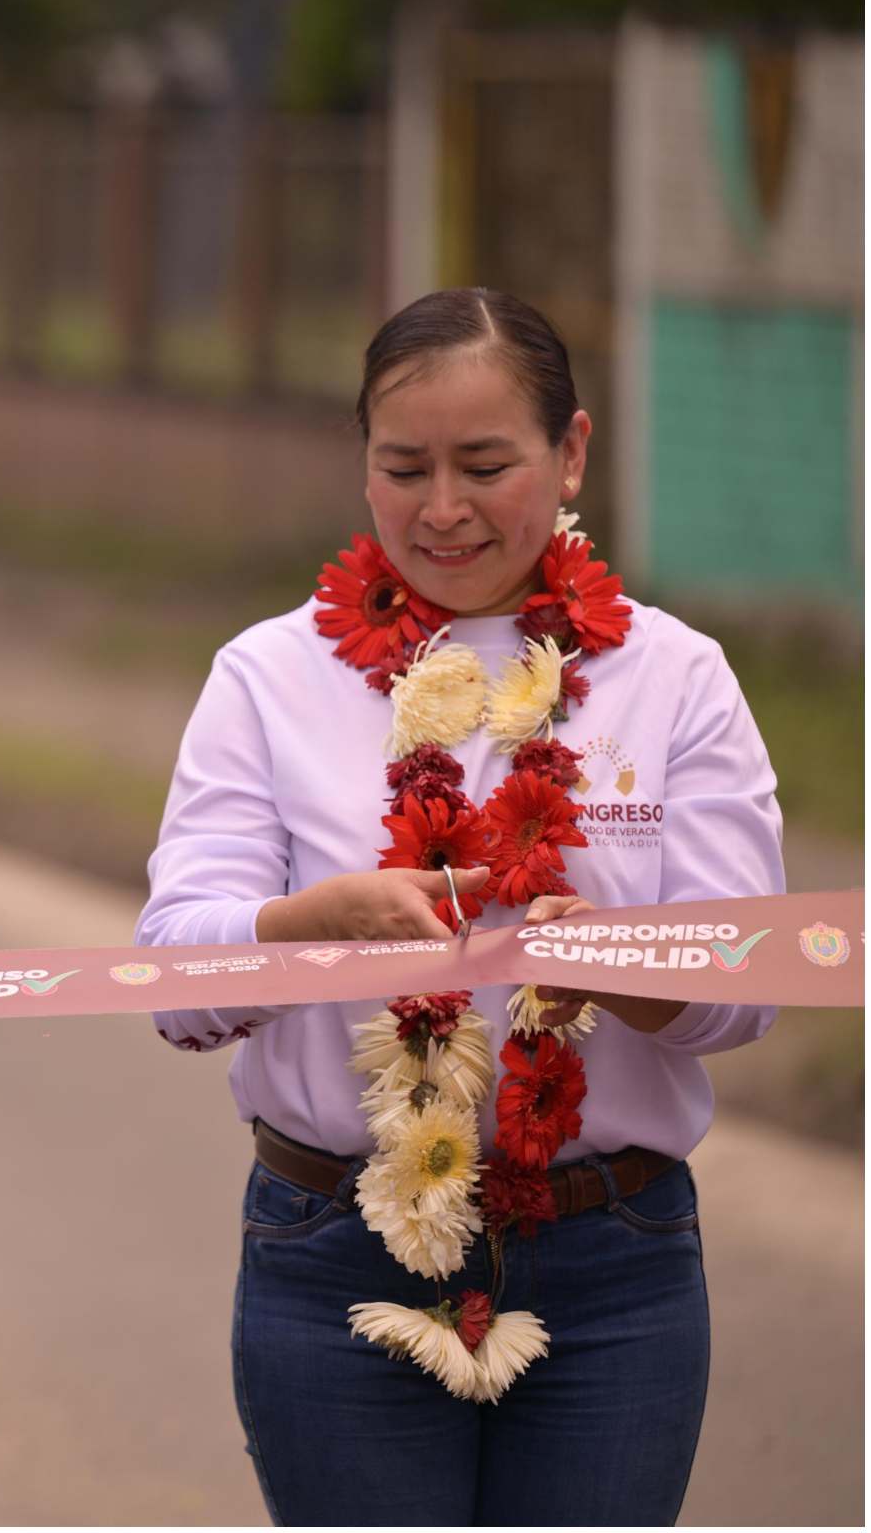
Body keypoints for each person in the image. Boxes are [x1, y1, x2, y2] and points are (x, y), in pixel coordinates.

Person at [139, 287, 782, 1524]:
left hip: (613, 1263)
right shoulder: (269, 678)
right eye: (403, 466)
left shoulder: (673, 678)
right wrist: (301, 926)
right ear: (362, 465)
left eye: (485, 464)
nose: (441, 509)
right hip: (332, 1249)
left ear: (573, 451)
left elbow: (745, 989)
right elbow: (173, 987)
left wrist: (610, 963)